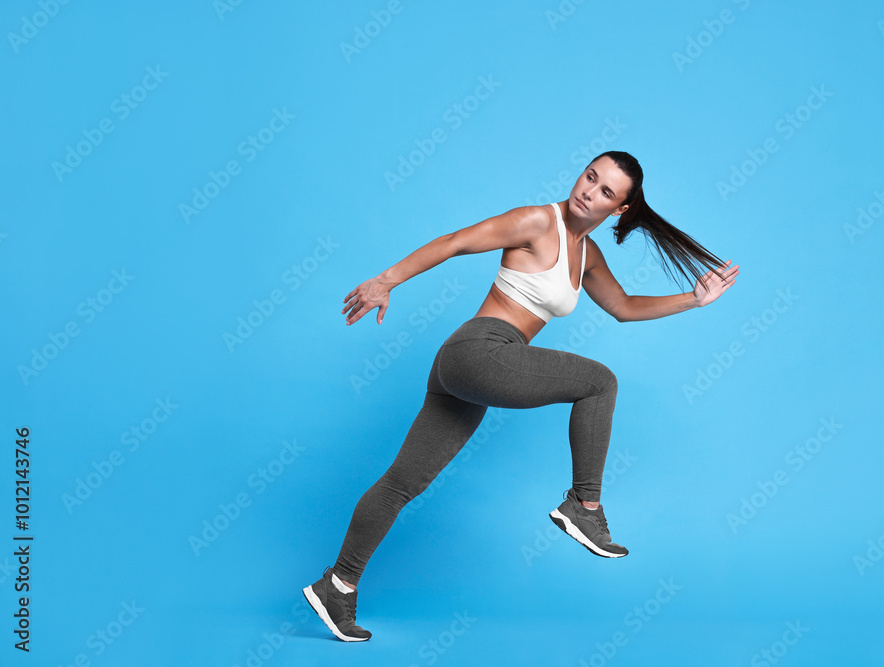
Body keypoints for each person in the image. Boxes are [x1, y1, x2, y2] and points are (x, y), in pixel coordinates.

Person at [302, 150, 739, 641]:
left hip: (473, 367)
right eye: (589, 177)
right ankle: (584, 508)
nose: (588, 192)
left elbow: (622, 307)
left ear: (618, 210)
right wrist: (385, 281)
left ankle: (336, 585)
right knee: (601, 381)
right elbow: (455, 242)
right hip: (478, 352)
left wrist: (693, 300)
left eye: (605, 192)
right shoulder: (536, 220)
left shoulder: (588, 255)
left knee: (402, 484)